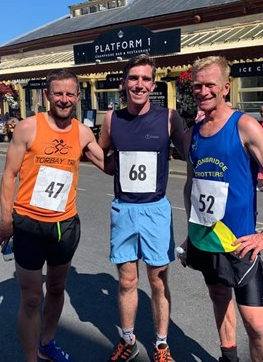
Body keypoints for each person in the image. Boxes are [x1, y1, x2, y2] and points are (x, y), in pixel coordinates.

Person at [180, 56, 263, 362]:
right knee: (218, 296)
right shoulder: (193, 135)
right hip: (204, 238)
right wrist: (191, 233)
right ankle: (228, 357)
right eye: (197, 86)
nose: (202, 91)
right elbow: (192, 186)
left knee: (255, 324)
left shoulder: (244, 125)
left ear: (225, 87)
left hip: (239, 243)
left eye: (210, 85)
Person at [0, 69, 106, 362]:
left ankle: (47, 343)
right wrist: (6, 220)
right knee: (31, 298)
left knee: (56, 288)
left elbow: (109, 165)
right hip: (29, 224)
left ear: (78, 96)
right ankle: (31, 358)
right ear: (47, 95)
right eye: (58, 93)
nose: (64, 99)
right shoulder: (27, 128)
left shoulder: (82, 132)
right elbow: (9, 176)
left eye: (70, 94)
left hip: (64, 226)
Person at [98, 54, 186, 362]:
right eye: (133, 78)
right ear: (124, 83)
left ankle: (161, 345)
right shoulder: (111, 119)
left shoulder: (168, 117)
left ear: (153, 83)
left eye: (146, 79)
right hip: (124, 209)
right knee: (126, 280)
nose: (139, 84)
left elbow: (191, 152)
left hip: (155, 210)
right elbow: (107, 162)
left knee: (158, 281)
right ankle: (128, 341)